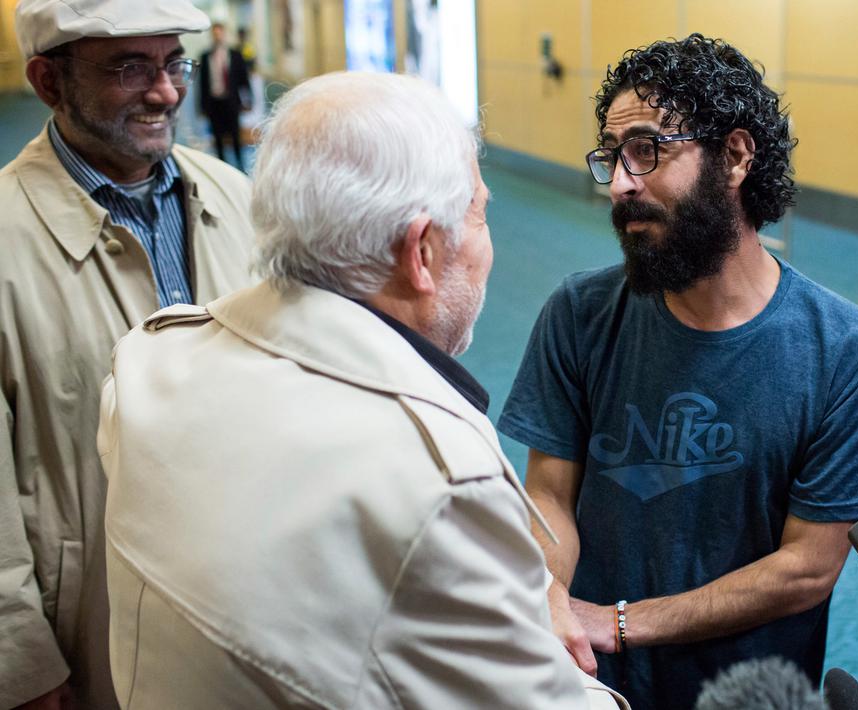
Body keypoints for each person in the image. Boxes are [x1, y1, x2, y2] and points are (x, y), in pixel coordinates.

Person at [98, 71, 627, 710]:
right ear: (422, 253)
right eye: (480, 215)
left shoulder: (150, 359)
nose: (488, 246)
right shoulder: (439, 476)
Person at [498, 34, 858, 709]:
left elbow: (805, 570)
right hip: (588, 683)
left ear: (737, 156)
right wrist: (550, 596)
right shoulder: (579, 312)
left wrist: (621, 622)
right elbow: (549, 494)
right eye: (612, 157)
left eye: (648, 151)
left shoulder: (849, 350)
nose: (622, 183)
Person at [0, 0, 256, 706]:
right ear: (49, 82)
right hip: (93, 624)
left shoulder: (236, 201)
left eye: (174, 62)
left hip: (243, 602)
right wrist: (18, 658)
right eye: (129, 67)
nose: (166, 90)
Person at [197, 23, 251, 167]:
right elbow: (202, 85)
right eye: (215, 33)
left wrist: (247, 100)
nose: (218, 36)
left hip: (231, 101)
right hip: (214, 102)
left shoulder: (235, 54)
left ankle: (240, 164)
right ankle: (222, 165)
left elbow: (243, 80)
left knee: (235, 135)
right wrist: (202, 107)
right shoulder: (205, 56)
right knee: (218, 136)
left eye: (220, 33)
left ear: (224, 34)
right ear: (212, 35)